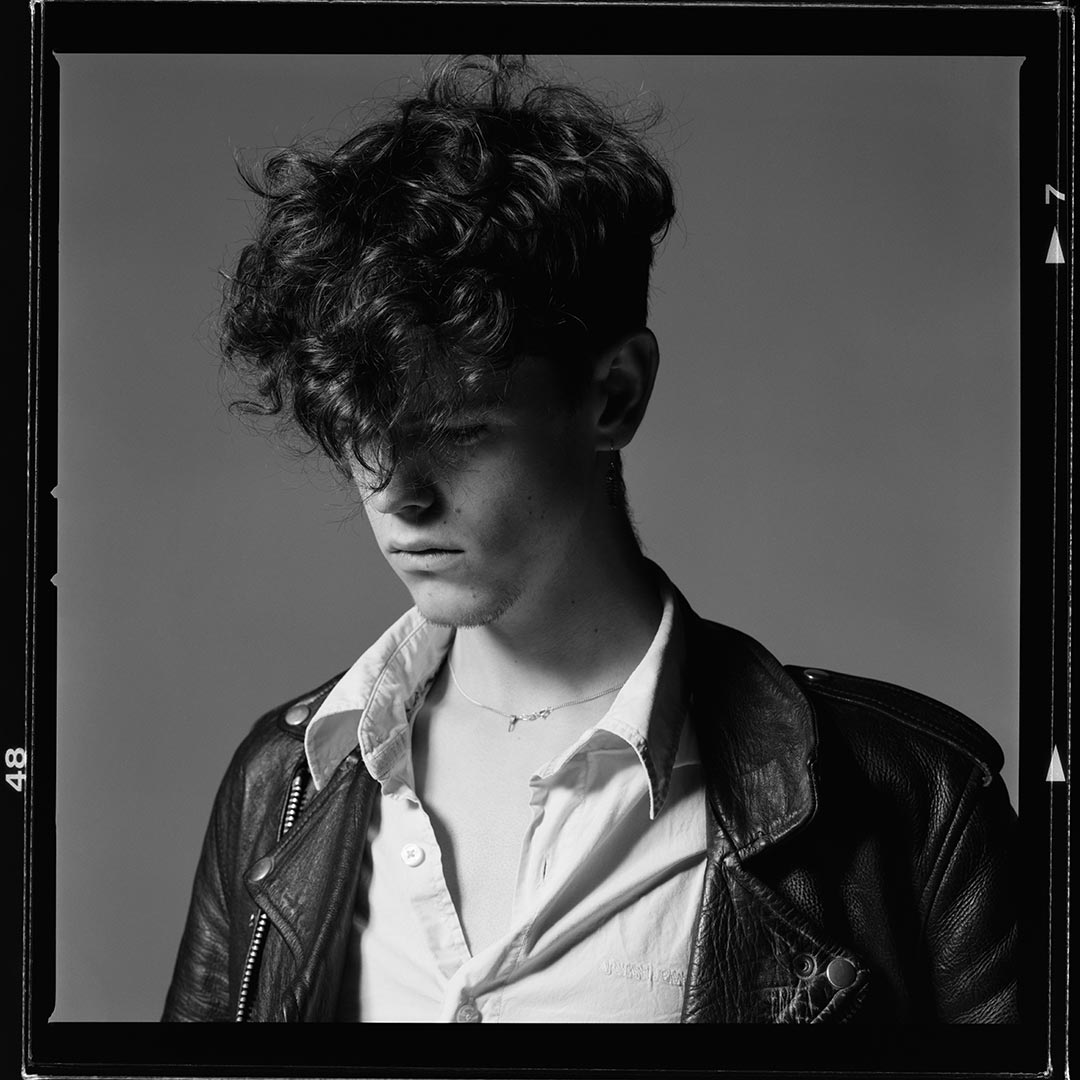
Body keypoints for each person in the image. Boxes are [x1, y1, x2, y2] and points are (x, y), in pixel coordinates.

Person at [162, 54, 1017, 1024]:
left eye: (458, 431)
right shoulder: (281, 782)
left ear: (614, 394)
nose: (398, 495)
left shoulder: (915, 802)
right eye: (362, 434)